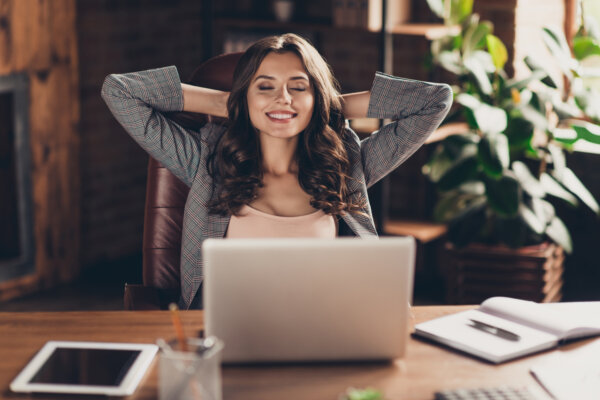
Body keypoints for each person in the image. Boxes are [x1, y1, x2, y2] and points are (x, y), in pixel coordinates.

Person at [101, 33, 452, 309]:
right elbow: (119, 91)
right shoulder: (206, 162)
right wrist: (223, 102)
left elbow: (435, 100)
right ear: (244, 96)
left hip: (326, 330)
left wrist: (327, 106)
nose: (282, 98)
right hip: (230, 332)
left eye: (298, 87)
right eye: (264, 87)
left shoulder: (346, 165)